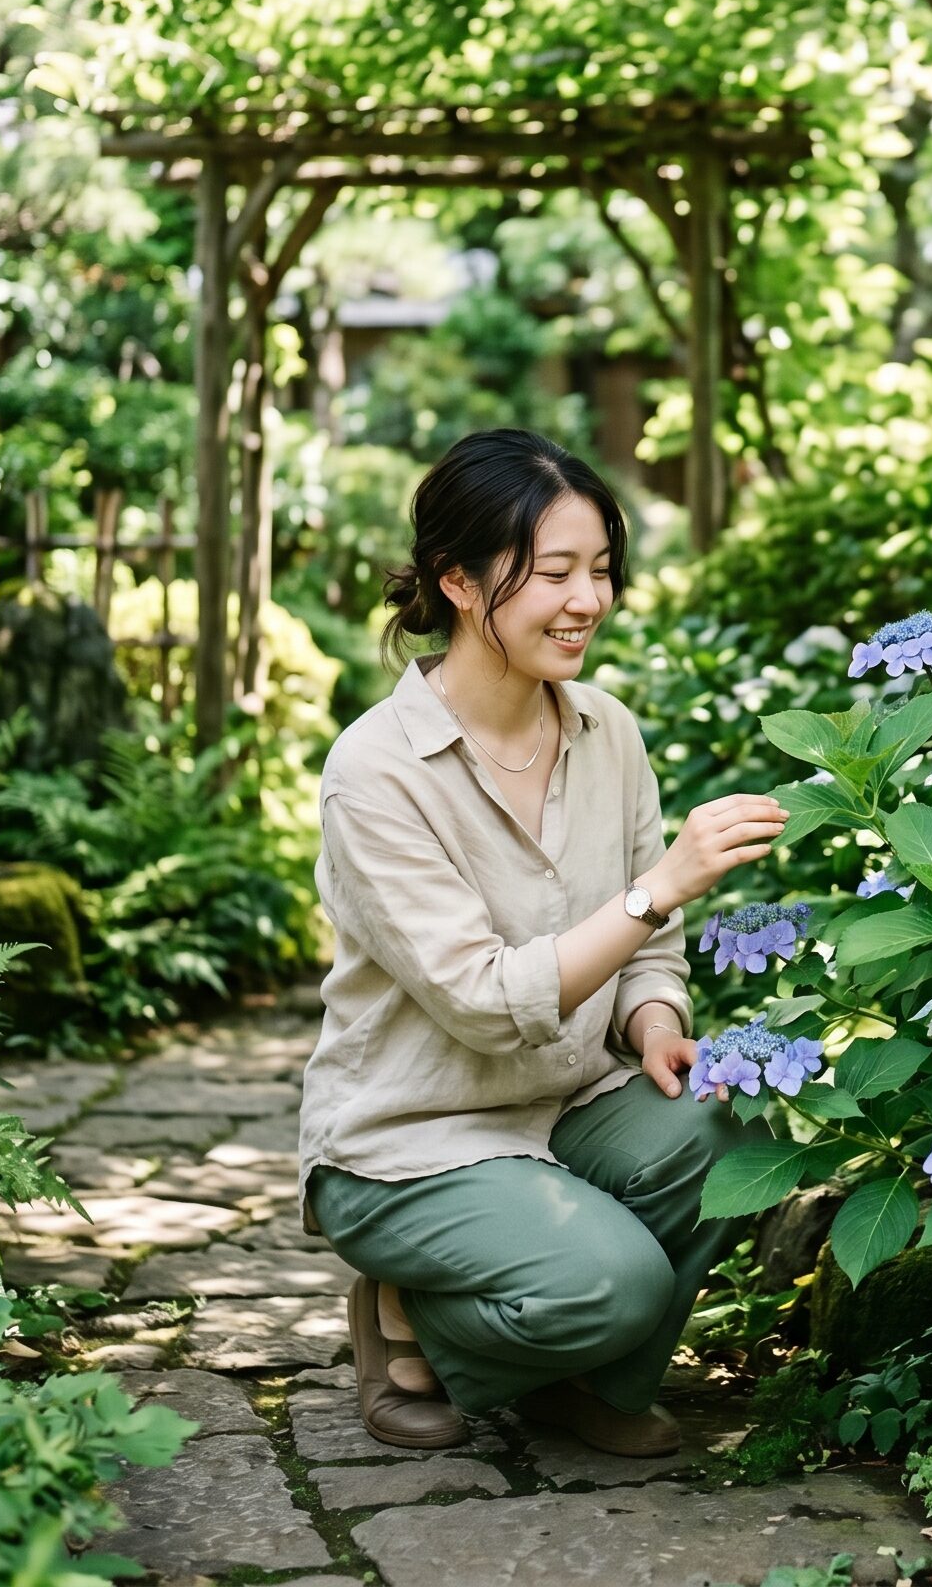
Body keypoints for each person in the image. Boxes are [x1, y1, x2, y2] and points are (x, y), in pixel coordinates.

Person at [297, 428, 789, 1454]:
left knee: (733, 1136)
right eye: (555, 571)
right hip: (411, 1141)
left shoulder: (608, 730)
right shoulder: (375, 771)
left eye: (600, 569)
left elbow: (650, 949)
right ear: (458, 581)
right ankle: (405, 1324)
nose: (588, 599)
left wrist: (656, 1023)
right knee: (615, 1281)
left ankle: (582, 1380)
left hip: (567, 1103)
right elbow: (485, 1000)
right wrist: (660, 886)